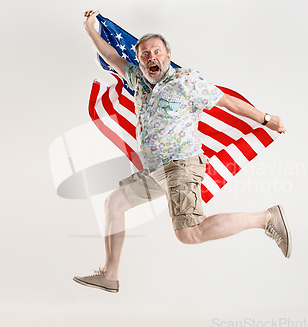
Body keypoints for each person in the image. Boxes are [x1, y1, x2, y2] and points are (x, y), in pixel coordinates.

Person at [74, 10, 292, 293]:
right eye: (145, 54)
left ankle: (266, 218)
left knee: (189, 233)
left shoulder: (185, 81)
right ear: (139, 60)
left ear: (167, 55)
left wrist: (265, 119)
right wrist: (89, 28)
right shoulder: (137, 80)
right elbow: (112, 57)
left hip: (181, 165)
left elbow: (225, 101)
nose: (151, 57)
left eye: (157, 52)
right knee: (114, 204)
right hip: (154, 172)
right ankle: (110, 275)